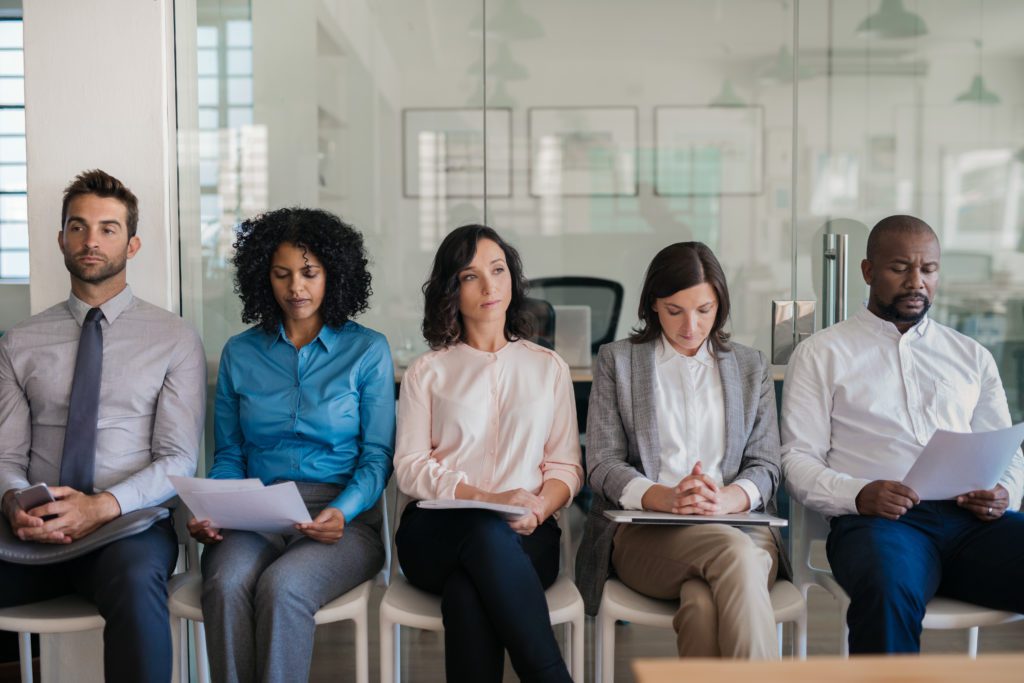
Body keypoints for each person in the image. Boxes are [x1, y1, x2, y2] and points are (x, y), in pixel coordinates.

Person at [781, 215, 1024, 654]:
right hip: (879, 526)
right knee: (887, 589)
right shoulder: (820, 354)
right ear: (868, 271)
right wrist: (859, 494)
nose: (917, 281)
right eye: (900, 268)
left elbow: (1008, 450)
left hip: (973, 525)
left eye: (928, 270)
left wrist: (1005, 491)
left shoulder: (970, 356)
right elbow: (797, 459)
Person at [0, 169, 206, 682]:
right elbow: (6, 456)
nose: (92, 240)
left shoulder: (174, 338)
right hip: (32, 526)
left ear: (132, 244)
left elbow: (178, 458)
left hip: (126, 528)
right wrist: (13, 502)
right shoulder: (19, 341)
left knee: (139, 587)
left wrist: (101, 506)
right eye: (79, 226)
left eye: (108, 229)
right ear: (61, 238)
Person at [190, 208, 394, 683]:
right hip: (255, 510)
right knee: (224, 582)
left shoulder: (368, 350)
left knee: (283, 587)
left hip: (340, 518)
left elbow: (377, 456)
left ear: (333, 276)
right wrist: (217, 507)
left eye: (308, 273)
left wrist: (342, 510)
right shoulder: (240, 353)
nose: (295, 288)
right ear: (264, 277)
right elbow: (230, 455)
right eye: (282, 274)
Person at [577, 242, 785, 659]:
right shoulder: (618, 362)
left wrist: (727, 498)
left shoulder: (750, 366)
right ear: (653, 304)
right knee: (736, 557)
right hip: (648, 533)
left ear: (720, 306)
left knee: (703, 604)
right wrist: (665, 498)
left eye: (704, 310)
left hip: (741, 525)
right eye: (675, 311)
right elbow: (601, 463)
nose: (691, 326)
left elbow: (766, 464)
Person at [394, 225, 582, 683]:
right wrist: (487, 497)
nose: (489, 285)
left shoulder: (548, 368)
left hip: (529, 534)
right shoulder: (428, 372)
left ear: (512, 280)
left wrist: (539, 507)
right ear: (450, 290)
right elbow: (410, 468)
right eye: (470, 276)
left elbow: (566, 467)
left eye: (497, 270)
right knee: (481, 528)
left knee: (466, 594)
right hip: (435, 533)